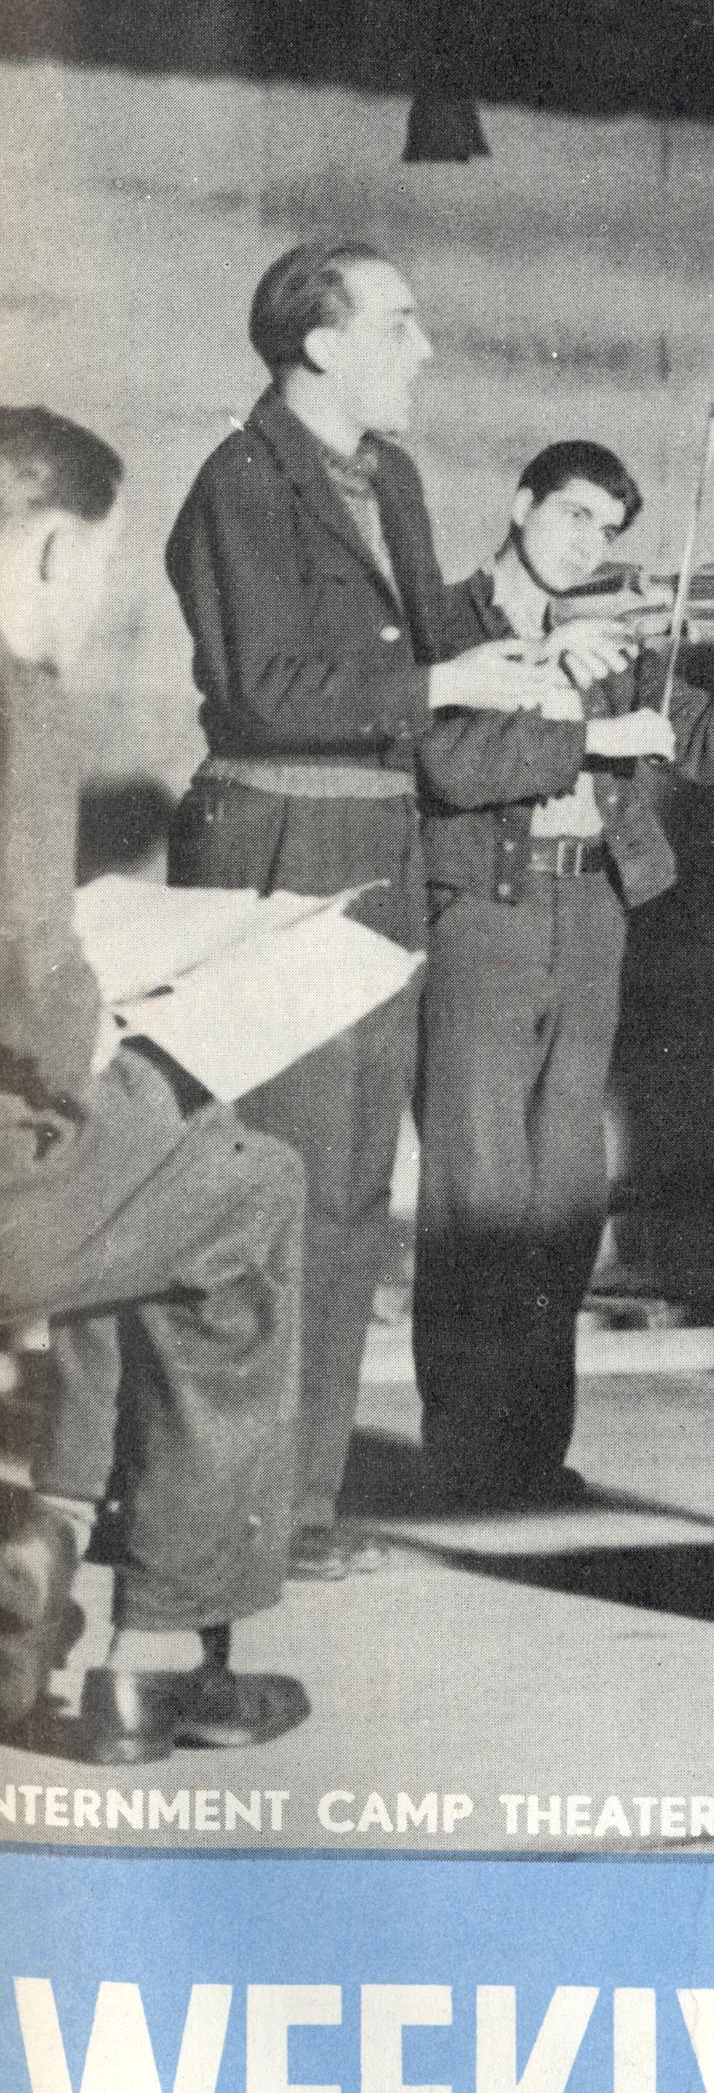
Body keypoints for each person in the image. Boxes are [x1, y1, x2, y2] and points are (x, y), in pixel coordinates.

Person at [163, 242, 623, 1579]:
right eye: (399, 325)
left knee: (358, 1192)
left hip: (379, 843)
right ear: (319, 344)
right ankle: (226, 1507)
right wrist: (448, 684)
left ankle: (300, 1507)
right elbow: (265, 692)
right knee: (281, 1180)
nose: (424, 349)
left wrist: (530, 658)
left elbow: (429, 649)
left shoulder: (394, 480)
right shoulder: (240, 484)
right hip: (279, 841)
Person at [412, 440, 714, 1509]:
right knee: (476, 1189)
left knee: (565, 1194)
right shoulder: (447, 624)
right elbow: (449, 762)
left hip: (592, 907)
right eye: (573, 517)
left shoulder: (622, 637)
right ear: (520, 504)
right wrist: (583, 720)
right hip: (484, 911)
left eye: (607, 531)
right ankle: (463, 1455)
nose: (588, 546)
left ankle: (530, 1454)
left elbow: (710, 745)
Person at [0, 407, 312, 1761]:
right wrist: (97, 1030)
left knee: (148, 1177)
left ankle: (44, 1545)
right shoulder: (19, 698)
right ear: (53, 551)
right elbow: (26, 967)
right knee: (250, 1188)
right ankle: (162, 1654)